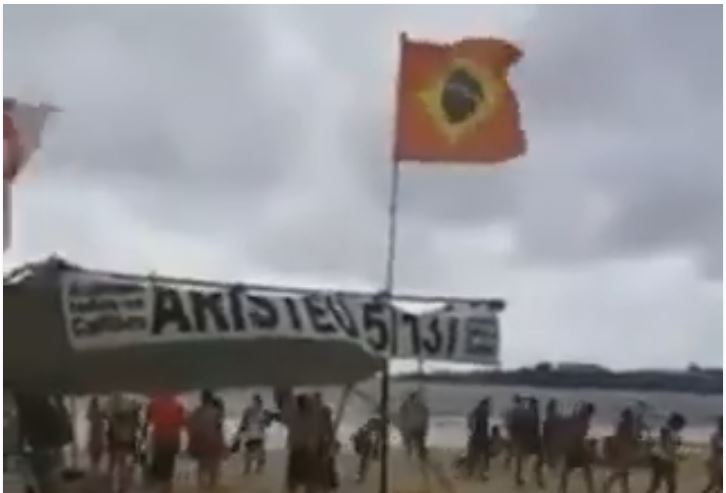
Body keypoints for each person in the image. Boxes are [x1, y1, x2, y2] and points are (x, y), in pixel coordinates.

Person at [15, 392, 73, 493]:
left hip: (39, 450)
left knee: (42, 482)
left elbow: (22, 430)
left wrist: (20, 447)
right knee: (46, 483)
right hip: (47, 450)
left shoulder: (28, 409)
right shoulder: (48, 408)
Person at [278, 389, 318, 493]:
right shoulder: (311, 418)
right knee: (308, 481)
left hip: (297, 451)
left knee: (294, 481)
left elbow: (284, 417)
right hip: (307, 452)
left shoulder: (295, 418)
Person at [146, 393, 185, 493]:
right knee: (169, 466)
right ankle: (167, 488)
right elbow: (182, 422)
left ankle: (161, 487)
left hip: (159, 437)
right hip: (173, 437)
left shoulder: (154, 403)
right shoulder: (178, 404)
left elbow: (149, 419)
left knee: (159, 465)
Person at [187, 390, 225, 491]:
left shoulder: (196, 412)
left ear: (202, 399)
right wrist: (223, 446)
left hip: (200, 444)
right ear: (210, 399)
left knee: (201, 471)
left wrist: (191, 445)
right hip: (214, 444)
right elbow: (219, 430)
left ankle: (201, 490)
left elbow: (191, 428)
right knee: (214, 473)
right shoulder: (217, 412)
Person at [106, 393, 142, 493]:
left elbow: (112, 428)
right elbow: (136, 430)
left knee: (122, 466)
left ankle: (121, 487)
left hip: (120, 444)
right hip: (127, 445)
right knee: (127, 467)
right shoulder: (133, 418)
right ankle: (123, 487)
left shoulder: (119, 417)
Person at [559, 402, 596, 493]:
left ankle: (562, 490)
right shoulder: (584, 420)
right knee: (586, 471)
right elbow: (579, 435)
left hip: (572, 446)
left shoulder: (579, 417)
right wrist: (587, 447)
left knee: (567, 471)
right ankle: (590, 490)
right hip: (577, 448)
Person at [645, 412, 686, 493]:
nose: (681, 427)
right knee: (669, 486)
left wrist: (677, 455)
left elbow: (674, 446)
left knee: (657, 485)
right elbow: (666, 445)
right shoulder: (666, 430)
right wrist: (675, 455)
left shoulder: (673, 432)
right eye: (680, 424)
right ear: (675, 423)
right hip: (662, 460)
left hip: (661, 459)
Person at [602, 407, 638, 493]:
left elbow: (629, 439)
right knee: (621, 474)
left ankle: (608, 485)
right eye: (630, 416)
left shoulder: (628, 425)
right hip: (622, 453)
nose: (631, 417)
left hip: (624, 453)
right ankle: (608, 485)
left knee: (622, 474)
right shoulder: (624, 425)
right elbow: (619, 439)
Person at [235, 394, 272, 475]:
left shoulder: (248, 410)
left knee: (248, 457)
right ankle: (257, 472)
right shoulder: (264, 411)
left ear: (253, 401)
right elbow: (268, 424)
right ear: (260, 402)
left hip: (250, 436)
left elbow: (243, 424)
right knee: (260, 457)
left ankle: (247, 472)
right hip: (258, 436)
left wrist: (237, 435)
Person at [513, 397, 545, 489]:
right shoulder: (535, 413)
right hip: (532, 440)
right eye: (536, 404)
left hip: (521, 439)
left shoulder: (523, 413)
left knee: (520, 458)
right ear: (534, 404)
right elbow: (536, 429)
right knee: (539, 459)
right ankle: (539, 480)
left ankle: (518, 478)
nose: (537, 406)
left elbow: (515, 426)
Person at [398, 391, 429, 463]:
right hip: (417, 427)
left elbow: (402, 416)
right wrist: (425, 427)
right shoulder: (421, 405)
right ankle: (420, 458)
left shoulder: (405, 405)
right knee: (419, 443)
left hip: (412, 428)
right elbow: (425, 416)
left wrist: (402, 426)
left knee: (410, 443)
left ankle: (410, 457)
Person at [352, 416, 383, 483]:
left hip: (369, 447)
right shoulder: (368, 428)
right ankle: (360, 475)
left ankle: (360, 475)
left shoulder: (376, 430)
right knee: (363, 462)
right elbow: (359, 435)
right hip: (366, 446)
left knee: (364, 462)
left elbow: (377, 441)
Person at [466, 398, 491, 480]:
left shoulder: (476, 409)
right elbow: (484, 425)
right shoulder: (485, 411)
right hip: (483, 436)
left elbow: (469, 418)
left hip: (476, 435)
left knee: (474, 454)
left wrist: (470, 428)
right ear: (486, 404)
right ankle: (482, 474)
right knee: (484, 455)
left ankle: (470, 472)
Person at [701, 416, 722, 493]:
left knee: (713, 484)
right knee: (718, 483)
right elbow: (717, 449)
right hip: (713, 462)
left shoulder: (717, 435)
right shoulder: (716, 436)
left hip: (716, 462)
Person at [86, 396, 106, 474]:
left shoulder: (93, 411)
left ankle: (94, 465)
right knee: (97, 446)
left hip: (95, 431)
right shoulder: (97, 411)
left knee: (95, 446)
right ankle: (95, 464)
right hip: (96, 431)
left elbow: (88, 418)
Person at [542, 399, 562, 470]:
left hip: (551, 438)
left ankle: (551, 465)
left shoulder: (548, 417)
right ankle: (553, 465)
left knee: (549, 452)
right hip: (556, 438)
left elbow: (545, 430)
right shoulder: (558, 416)